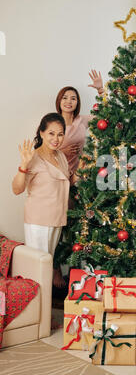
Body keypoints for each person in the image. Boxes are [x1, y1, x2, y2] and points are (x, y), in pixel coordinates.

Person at [12, 113, 76, 327]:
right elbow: (17, 188)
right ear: (41, 133)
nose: (56, 138)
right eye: (51, 133)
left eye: (60, 134)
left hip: (56, 219)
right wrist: (23, 165)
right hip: (38, 219)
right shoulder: (34, 156)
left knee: (47, 269)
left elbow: (65, 182)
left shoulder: (60, 156)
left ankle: (43, 316)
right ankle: (38, 318)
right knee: (38, 270)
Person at [52, 70, 104, 288]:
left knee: (77, 228)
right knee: (56, 229)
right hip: (55, 182)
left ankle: (76, 275)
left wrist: (101, 89)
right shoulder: (52, 123)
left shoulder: (82, 121)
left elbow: (105, 114)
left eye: (73, 98)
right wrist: (63, 148)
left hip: (78, 183)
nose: (69, 101)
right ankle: (55, 274)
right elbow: (42, 151)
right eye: (65, 97)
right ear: (59, 101)